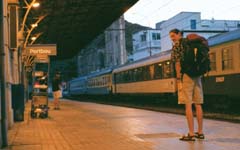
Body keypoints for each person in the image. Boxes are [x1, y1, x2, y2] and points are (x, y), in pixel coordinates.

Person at [169, 28, 204, 141]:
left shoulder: (178, 46)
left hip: (186, 76)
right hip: (197, 75)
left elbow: (177, 62)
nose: (172, 38)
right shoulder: (192, 43)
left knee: (188, 104)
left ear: (180, 34)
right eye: (171, 36)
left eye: (173, 35)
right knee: (198, 104)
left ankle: (191, 133)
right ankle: (200, 132)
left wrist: (179, 78)